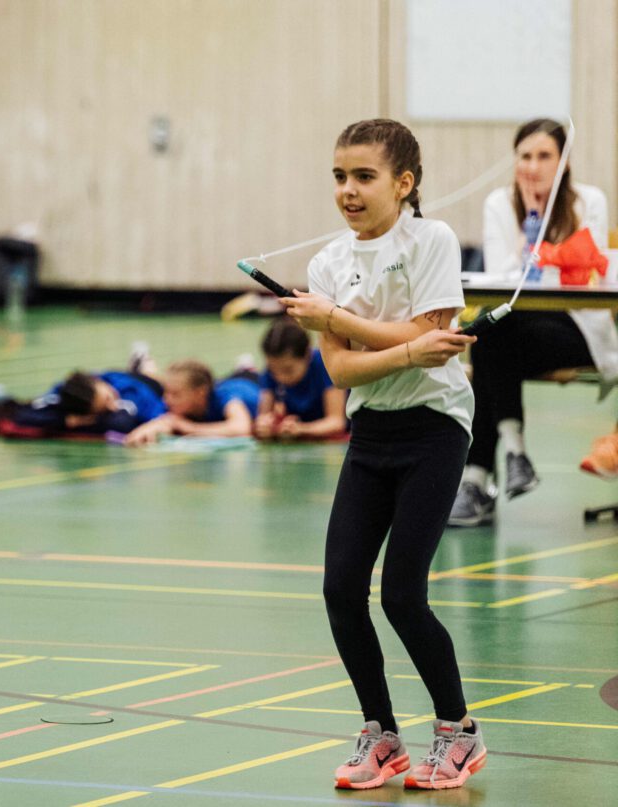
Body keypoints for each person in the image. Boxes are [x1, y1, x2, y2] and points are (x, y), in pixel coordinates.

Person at [280, 119, 486, 790]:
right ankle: (383, 735)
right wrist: (401, 351)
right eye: (339, 176)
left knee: (401, 593)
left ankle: (458, 732)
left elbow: (429, 329)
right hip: (371, 434)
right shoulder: (326, 266)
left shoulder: (432, 240)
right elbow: (342, 372)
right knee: (341, 588)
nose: (348, 189)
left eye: (364, 176)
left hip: (435, 427)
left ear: (404, 183)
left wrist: (337, 320)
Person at [449, 118, 618, 527]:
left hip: (578, 328)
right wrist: (532, 222)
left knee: (491, 342)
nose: (533, 165)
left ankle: (482, 476)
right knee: (493, 335)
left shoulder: (588, 202)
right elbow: (505, 275)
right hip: (520, 328)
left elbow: (583, 277)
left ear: (564, 162)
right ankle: (512, 455)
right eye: (525, 156)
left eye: (545, 156)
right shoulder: (499, 203)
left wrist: (540, 231)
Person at [255, 316, 347, 440]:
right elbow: (263, 416)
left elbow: (336, 422)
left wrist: (301, 429)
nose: (280, 377)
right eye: (273, 369)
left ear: (307, 355)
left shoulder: (325, 366)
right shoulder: (270, 373)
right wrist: (265, 426)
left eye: (288, 370)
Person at [124, 360, 259, 445]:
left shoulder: (226, 396)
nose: (167, 399)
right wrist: (149, 428)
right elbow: (167, 421)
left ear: (199, 393)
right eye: (166, 392)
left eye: (175, 394)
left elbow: (241, 428)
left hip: (251, 381)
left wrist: (186, 426)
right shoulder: (183, 407)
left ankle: (246, 368)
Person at [18, 368, 166, 434]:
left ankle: (145, 366)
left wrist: (90, 422)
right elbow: (24, 414)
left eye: (109, 397)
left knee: (158, 378)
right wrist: (67, 420)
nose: (112, 407)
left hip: (149, 384)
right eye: (104, 409)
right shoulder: (70, 392)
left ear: (97, 380)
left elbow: (122, 424)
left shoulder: (130, 393)